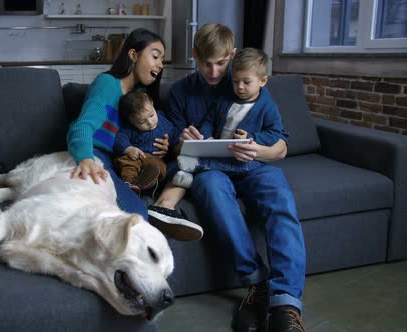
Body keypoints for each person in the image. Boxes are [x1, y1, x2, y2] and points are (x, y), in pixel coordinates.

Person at [166, 24, 307, 332]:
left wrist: (257, 150)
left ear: (231, 56)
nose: (215, 71)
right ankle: (257, 285)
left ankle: (285, 304)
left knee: (280, 199)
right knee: (211, 188)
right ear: (195, 57)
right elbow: (174, 145)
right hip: (213, 169)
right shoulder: (180, 92)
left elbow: (280, 144)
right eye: (206, 63)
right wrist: (184, 138)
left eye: (221, 63)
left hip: (255, 166)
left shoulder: (248, 81)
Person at [66, 28, 202, 241]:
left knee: (187, 165)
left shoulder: (140, 97)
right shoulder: (107, 84)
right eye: (155, 56)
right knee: (136, 216)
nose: (160, 64)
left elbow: (146, 133)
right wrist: (85, 158)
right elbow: (82, 126)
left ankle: (162, 207)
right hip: (100, 157)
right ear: (133, 55)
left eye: (162, 60)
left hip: (129, 164)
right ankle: (147, 216)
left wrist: (166, 146)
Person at [172, 47, 287, 189]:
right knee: (217, 163)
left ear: (262, 81)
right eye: (235, 81)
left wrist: (252, 138)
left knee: (242, 165)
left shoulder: (268, 106)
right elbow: (209, 120)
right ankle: (192, 172)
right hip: (219, 150)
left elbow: (275, 133)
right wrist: (207, 137)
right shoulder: (225, 99)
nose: (240, 87)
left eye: (246, 82)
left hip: (244, 158)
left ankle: (196, 167)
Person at [113, 90, 182, 196]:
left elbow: (175, 134)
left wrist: (183, 140)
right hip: (136, 156)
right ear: (131, 121)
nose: (150, 122)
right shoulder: (129, 129)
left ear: (152, 104)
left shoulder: (163, 122)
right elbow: (119, 139)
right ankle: (129, 185)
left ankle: (141, 186)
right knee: (128, 163)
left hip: (153, 160)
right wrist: (129, 149)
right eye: (142, 122)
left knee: (159, 167)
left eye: (151, 115)